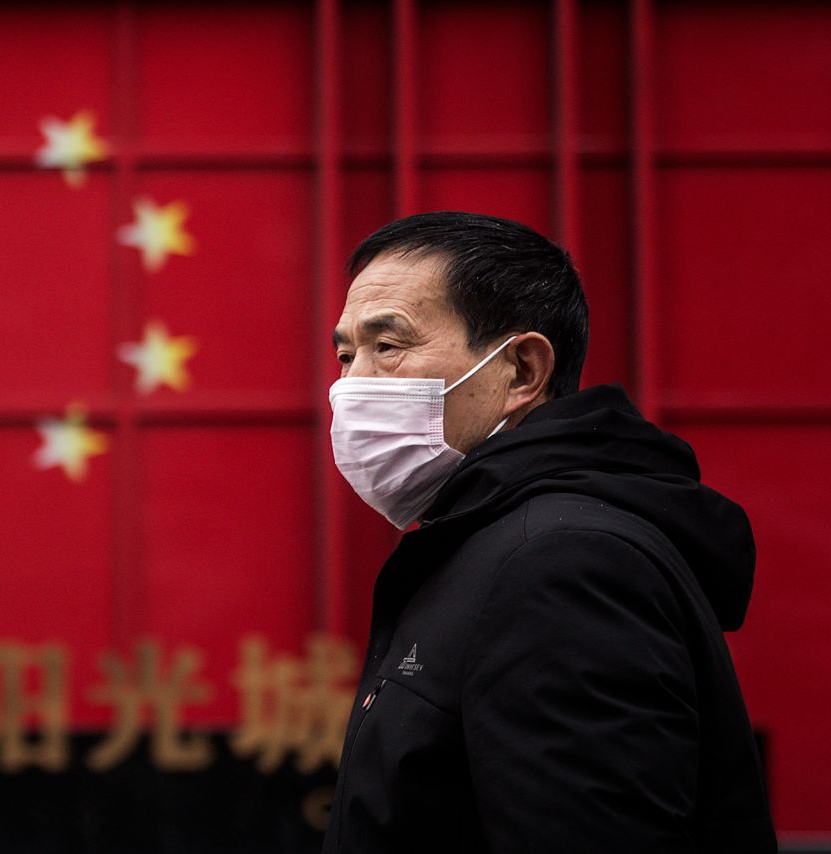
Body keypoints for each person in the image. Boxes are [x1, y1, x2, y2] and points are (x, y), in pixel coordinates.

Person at [322, 211, 776, 853]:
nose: (351, 386)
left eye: (387, 347)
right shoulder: (487, 544)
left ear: (522, 371)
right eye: (346, 354)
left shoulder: (559, 566)